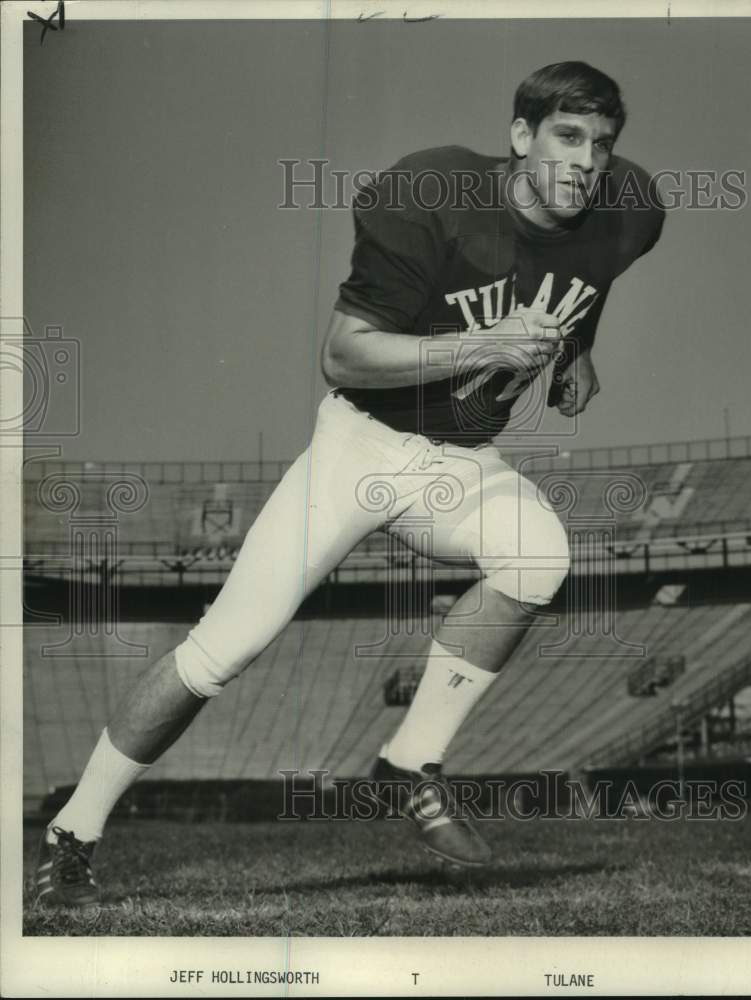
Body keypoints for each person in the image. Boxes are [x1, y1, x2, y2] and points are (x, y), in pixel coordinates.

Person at [36, 61, 664, 906]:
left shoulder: (630, 210)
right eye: (567, 137)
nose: (587, 162)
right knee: (225, 648)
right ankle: (74, 830)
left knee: (539, 556)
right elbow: (345, 354)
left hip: (462, 463)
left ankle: (410, 760)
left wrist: (578, 353)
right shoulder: (433, 194)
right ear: (520, 137)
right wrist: (480, 347)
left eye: (602, 144)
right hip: (360, 450)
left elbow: (592, 277)